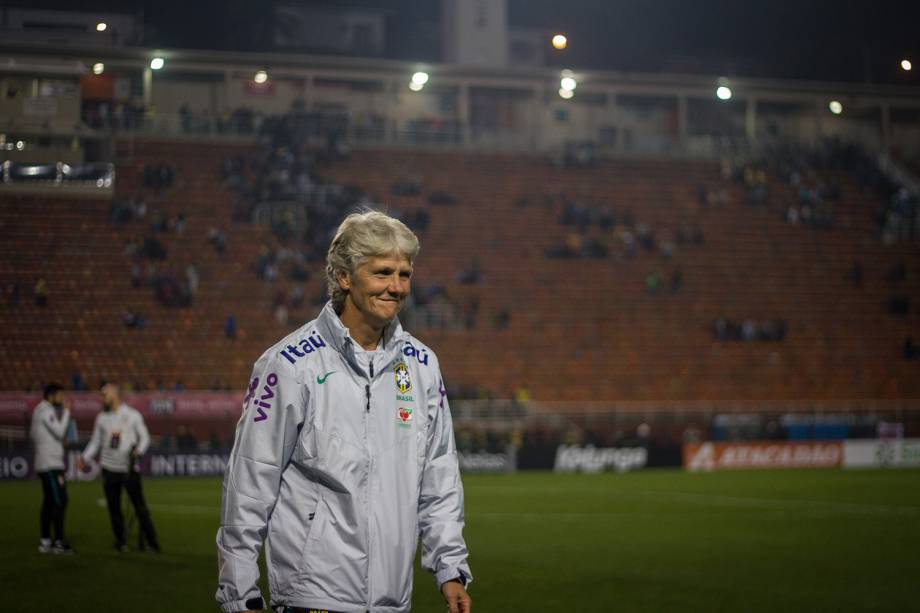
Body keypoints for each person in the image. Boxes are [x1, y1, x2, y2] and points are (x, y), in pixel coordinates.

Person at [216, 210, 472, 613]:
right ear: (344, 277)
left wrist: (450, 569)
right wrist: (239, 590)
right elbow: (250, 480)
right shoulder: (289, 364)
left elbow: (439, 478)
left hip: (393, 602)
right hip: (311, 599)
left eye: (405, 274)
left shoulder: (423, 366)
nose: (396, 287)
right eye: (383, 273)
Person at [79, 382, 161, 552]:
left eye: (105, 394)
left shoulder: (132, 415)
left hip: (129, 469)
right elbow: (95, 442)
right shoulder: (101, 418)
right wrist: (84, 457)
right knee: (114, 508)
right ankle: (120, 541)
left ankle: (152, 542)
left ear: (115, 394)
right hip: (108, 469)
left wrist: (138, 451)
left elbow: (144, 437)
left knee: (140, 508)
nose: (102, 397)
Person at [30, 383, 76, 554]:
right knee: (60, 501)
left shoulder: (39, 410)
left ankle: (46, 541)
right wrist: (67, 412)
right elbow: (59, 431)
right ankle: (58, 542)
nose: (63, 399)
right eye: (60, 395)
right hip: (50, 465)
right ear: (51, 395)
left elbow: (35, 435)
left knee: (50, 502)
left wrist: (52, 442)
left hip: (48, 463)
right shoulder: (46, 410)